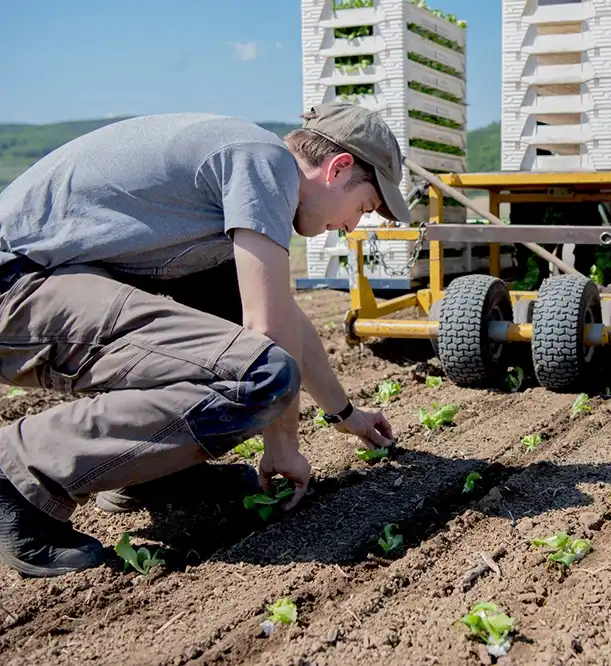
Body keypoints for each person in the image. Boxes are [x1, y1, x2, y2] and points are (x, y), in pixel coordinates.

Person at [0, 102, 410, 578]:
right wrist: (283, 446)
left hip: (47, 282)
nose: (353, 226)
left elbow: (286, 316)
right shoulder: (263, 161)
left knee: (222, 307)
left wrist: (345, 413)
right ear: (338, 169)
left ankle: (149, 474)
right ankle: (19, 470)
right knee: (260, 374)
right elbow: (269, 334)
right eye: (363, 207)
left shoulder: (235, 180)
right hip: (17, 288)